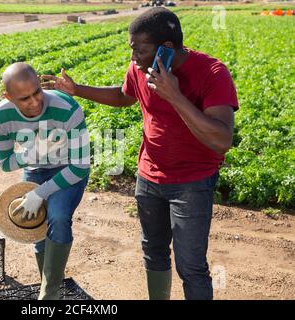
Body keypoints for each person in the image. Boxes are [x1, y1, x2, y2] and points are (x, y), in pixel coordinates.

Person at [41, 7, 238, 300]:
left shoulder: (211, 72)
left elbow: (222, 139)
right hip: (149, 177)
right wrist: (77, 89)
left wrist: (174, 95)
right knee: (153, 251)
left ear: (167, 48)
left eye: (140, 50)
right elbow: (124, 96)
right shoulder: (140, 68)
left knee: (191, 265)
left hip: (192, 182)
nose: (134, 58)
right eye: (132, 50)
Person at [0, 62, 90, 300]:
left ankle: (49, 295)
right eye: (24, 98)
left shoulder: (67, 108)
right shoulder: (0, 117)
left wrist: (39, 193)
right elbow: (5, 163)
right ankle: (49, 285)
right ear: (9, 97)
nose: (35, 102)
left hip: (68, 168)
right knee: (37, 225)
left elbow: (80, 166)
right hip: (35, 169)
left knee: (58, 216)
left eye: (37, 92)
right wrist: (33, 153)